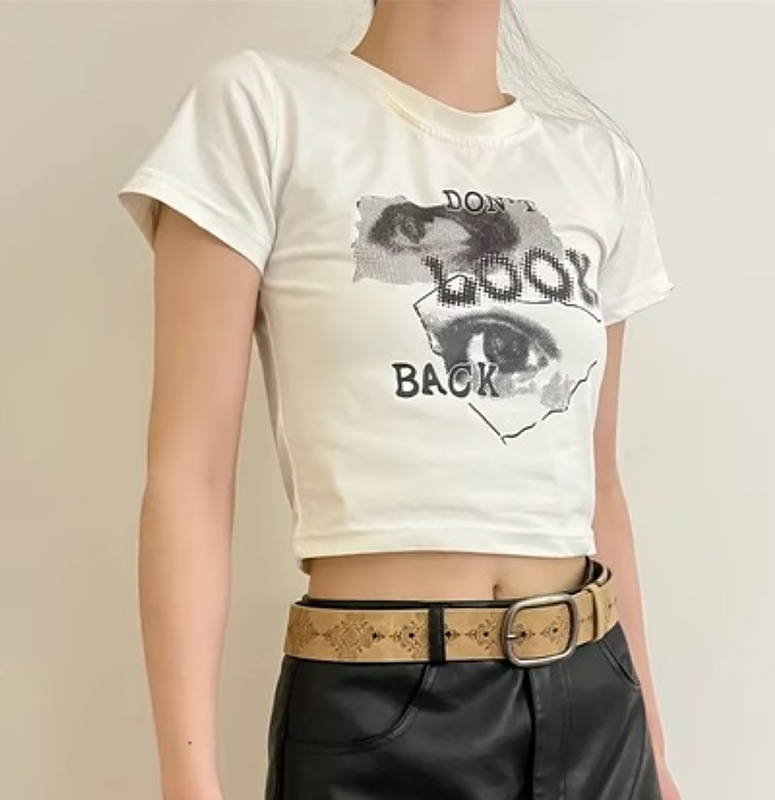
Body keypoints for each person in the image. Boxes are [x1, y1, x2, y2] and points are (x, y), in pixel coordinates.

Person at [117, 2, 680, 799]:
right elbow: (190, 475)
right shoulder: (263, 110)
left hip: (595, 704)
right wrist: (188, 781)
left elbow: (599, 482)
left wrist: (653, 743)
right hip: (381, 709)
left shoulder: (596, 165)